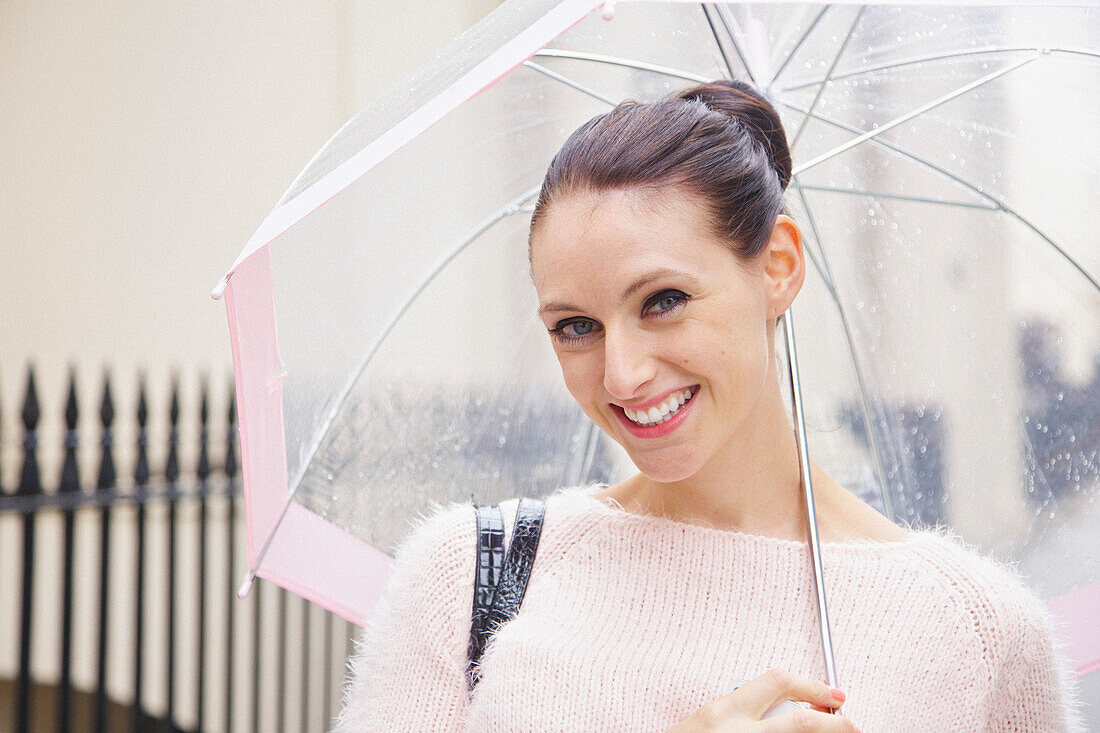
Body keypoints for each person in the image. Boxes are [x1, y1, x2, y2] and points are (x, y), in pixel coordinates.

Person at [335, 80, 1082, 731]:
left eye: (663, 301)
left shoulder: (978, 634)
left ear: (779, 267)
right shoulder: (475, 575)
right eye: (575, 326)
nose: (622, 375)